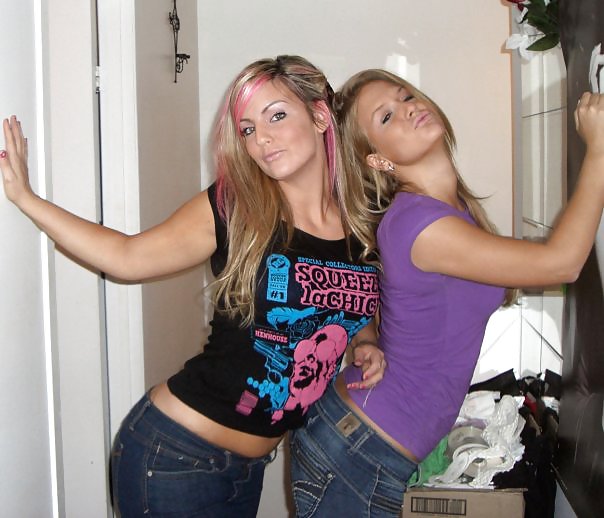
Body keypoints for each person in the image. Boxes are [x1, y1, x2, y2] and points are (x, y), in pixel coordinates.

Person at [0, 55, 386, 517]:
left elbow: (350, 307)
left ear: (320, 115)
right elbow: (126, 257)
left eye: (276, 116)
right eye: (247, 129)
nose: (261, 139)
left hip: (248, 469)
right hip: (175, 457)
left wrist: (365, 341)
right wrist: (27, 199)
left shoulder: (362, 225)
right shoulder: (236, 208)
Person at [288, 68, 604, 517]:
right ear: (378, 160)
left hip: (364, 442)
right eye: (386, 116)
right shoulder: (421, 225)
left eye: (405, 96)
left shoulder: (444, 211)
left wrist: (367, 339)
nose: (408, 108)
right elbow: (561, 263)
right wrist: (599, 151)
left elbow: (380, 289)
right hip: (355, 450)